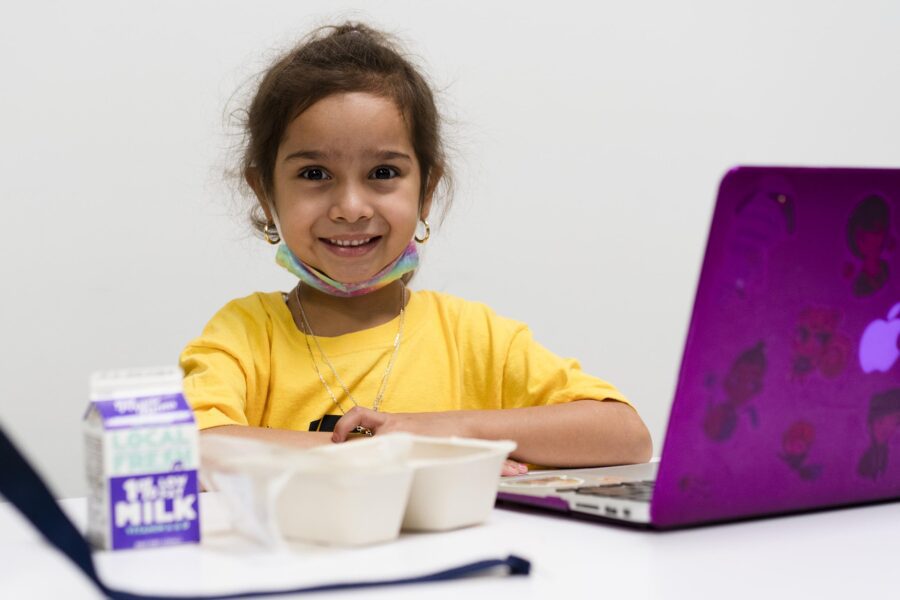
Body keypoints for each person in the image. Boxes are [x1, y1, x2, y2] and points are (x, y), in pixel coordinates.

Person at [180, 23, 652, 476]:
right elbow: (195, 448)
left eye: (383, 173)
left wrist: (456, 429)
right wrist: (397, 455)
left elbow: (627, 437)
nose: (350, 207)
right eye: (314, 174)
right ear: (265, 192)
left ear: (427, 191)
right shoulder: (244, 335)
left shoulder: (476, 337)